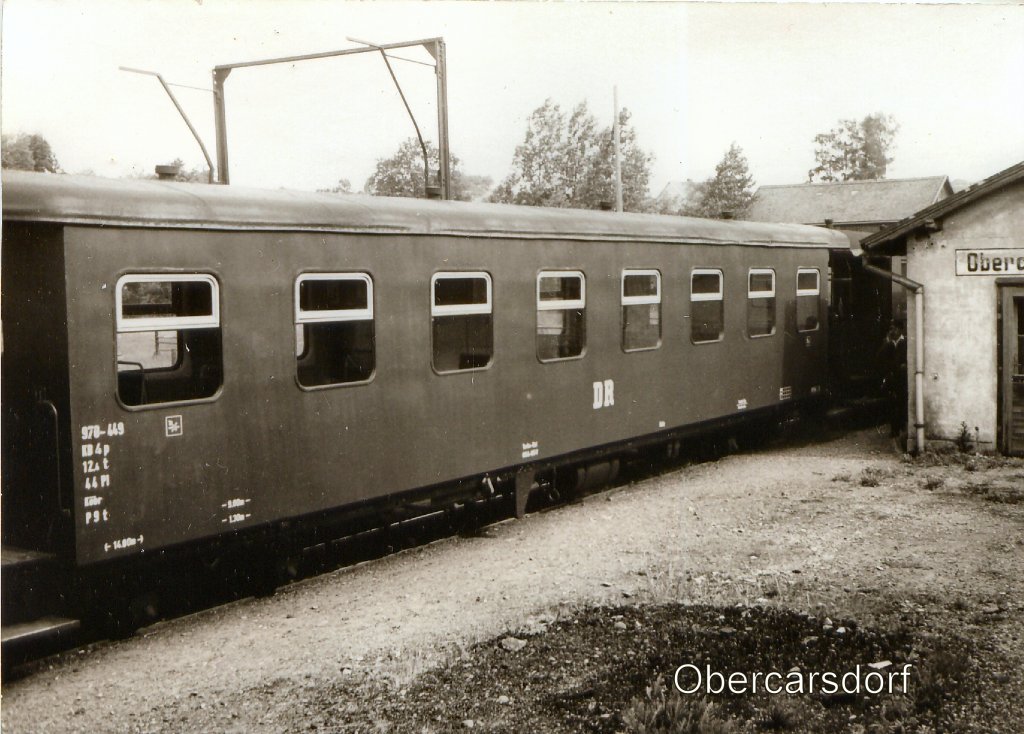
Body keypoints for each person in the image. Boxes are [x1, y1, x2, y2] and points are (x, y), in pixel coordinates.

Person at [877, 323, 908, 438]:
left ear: (900, 330)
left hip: (902, 379)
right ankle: (894, 429)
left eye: (895, 329)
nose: (893, 331)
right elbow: (879, 358)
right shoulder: (888, 344)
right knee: (891, 404)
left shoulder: (905, 343)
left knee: (902, 403)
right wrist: (886, 342)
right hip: (892, 378)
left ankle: (902, 427)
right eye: (891, 329)